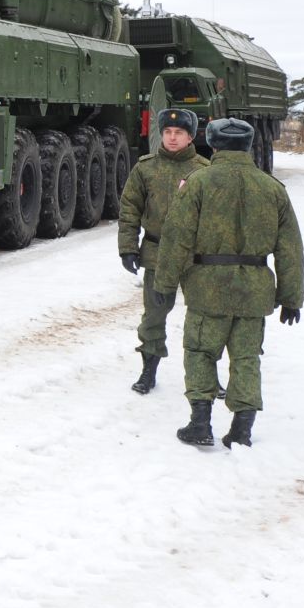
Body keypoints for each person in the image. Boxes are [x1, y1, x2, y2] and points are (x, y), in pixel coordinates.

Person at [152, 117, 304, 449]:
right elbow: (290, 248)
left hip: (207, 287)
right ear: (249, 146)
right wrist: (291, 297)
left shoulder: (197, 183)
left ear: (214, 145)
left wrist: (164, 286)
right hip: (254, 289)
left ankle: (201, 423)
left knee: (200, 352)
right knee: (247, 357)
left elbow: (176, 239)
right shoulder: (272, 188)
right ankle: (242, 429)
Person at [116, 107, 208, 394]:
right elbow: (130, 209)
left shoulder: (205, 170)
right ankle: (148, 370)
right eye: (167, 132)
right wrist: (128, 248)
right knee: (154, 315)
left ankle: (207, 376)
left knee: (204, 317)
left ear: (190, 136)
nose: (171, 138)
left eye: (178, 132)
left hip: (198, 258)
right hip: (157, 252)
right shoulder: (146, 168)